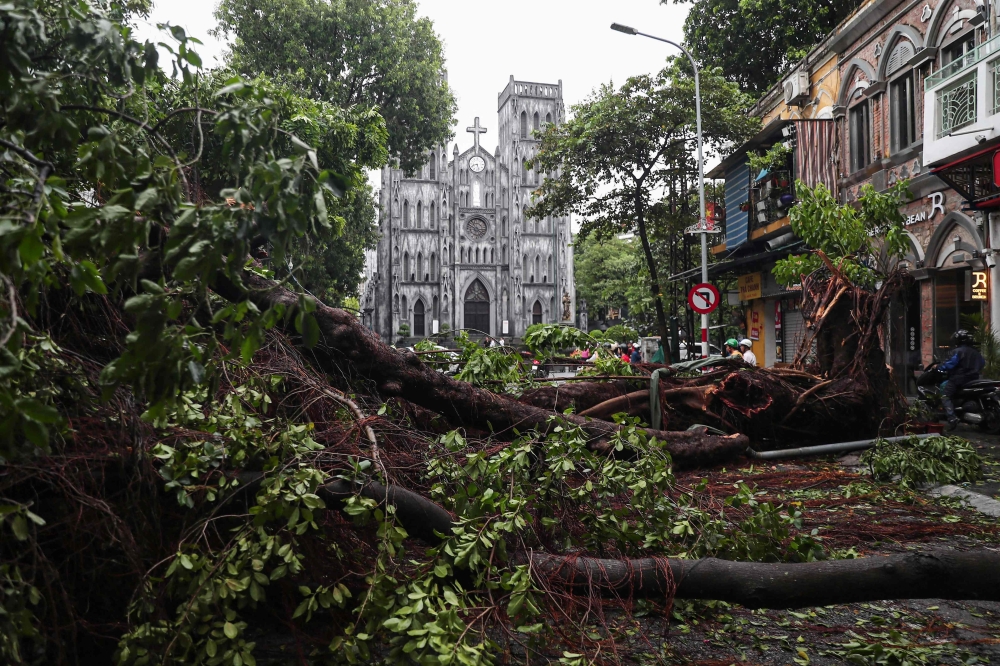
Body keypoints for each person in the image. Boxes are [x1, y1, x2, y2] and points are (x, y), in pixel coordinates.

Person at [939, 329, 986, 430]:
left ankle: (952, 418)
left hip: (958, 379)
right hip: (973, 379)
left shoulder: (958, 351)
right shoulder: (976, 352)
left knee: (945, 395)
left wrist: (939, 367)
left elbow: (950, 364)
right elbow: (982, 363)